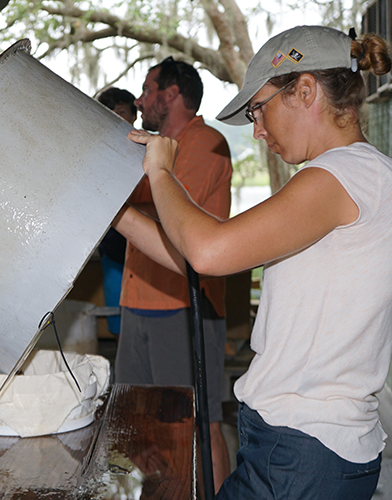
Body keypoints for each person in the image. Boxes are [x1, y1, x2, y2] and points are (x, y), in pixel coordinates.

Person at [116, 26, 392, 499]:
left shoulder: (346, 175)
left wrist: (161, 171)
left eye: (258, 110)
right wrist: (115, 213)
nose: (257, 130)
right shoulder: (355, 178)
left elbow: (207, 250)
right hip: (299, 444)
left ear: (307, 90)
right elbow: (202, 255)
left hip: (303, 447)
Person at [113, 56, 233, 490]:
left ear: (171, 95)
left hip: (184, 308)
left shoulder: (206, 143)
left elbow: (178, 209)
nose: (141, 100)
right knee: (141, 426)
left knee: (199, 423)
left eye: (148, 90)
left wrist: (117, 186)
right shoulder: (156, 148)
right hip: (137, 302)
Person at [96, 87, 138, 335]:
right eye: (108, 113)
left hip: (146, 250)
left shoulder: (151, 149)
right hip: (111, 249)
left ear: (134, 115)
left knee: (144, 317)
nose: (116, 118)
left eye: (121, 112)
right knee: (118, 320)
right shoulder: (97, 155)